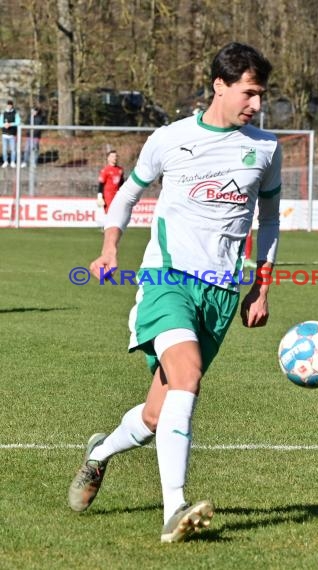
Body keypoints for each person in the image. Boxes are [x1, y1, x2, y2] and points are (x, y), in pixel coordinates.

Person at [68, 42, 282, 543]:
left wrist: (262, 283)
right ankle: (175, 509)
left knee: (156, 413)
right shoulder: (170, 139)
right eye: (249, 93)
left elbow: (268, 219)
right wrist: (109, 248)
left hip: (222, 294)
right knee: (187, 375)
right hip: (166, 279)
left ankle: (99, 453)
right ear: (220, 86)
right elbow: (129, 193)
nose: (255, 104)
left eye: (261, 95)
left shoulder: (266, 148)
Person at [0, 99, 21, 168]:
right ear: (7, 105)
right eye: (8, 105)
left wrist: (10, 124)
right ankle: (5, 161)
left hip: (12, 134)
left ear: (12, 105)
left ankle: (12, 162)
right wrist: (5, 125)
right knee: (4, 149)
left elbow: (18, 122)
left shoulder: (15, 113)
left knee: (13, 149)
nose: (9, 106)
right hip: (4, 134)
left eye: (10, 105)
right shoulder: (3, 113)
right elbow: (0, 124)